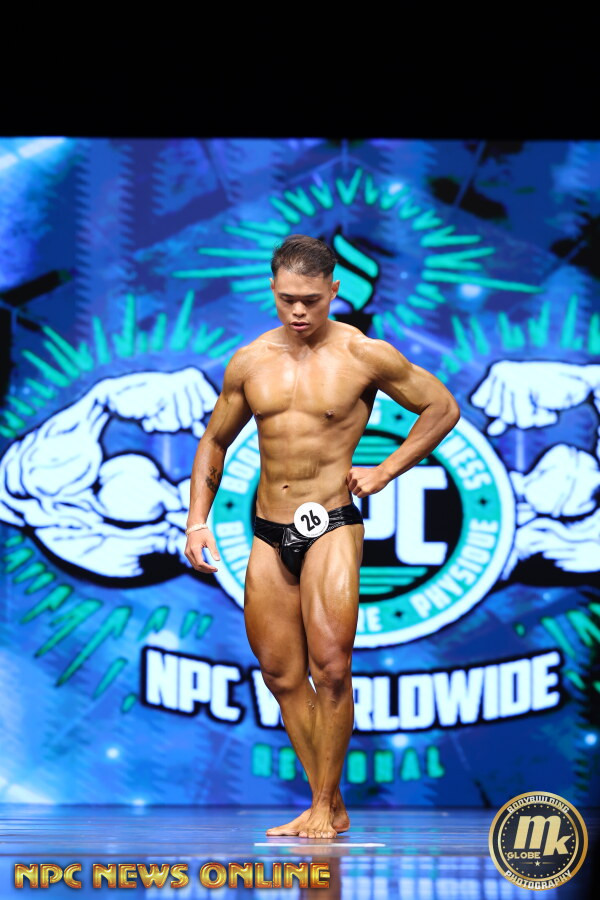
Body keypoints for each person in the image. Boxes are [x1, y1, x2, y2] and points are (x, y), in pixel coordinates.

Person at [185, 234, 461, 838]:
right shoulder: (250, 360)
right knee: (281, 675)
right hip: (267, 530)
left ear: (334, 290)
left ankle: (322, 805)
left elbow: (441, 407)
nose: (298, 311)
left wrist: (386, 470)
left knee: (331, 667)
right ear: (272, 290)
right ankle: (328, 805)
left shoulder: (364, 354)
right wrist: (197, 521)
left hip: (332, 522)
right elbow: (215, 439)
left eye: (310, 299)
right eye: (287, 299)